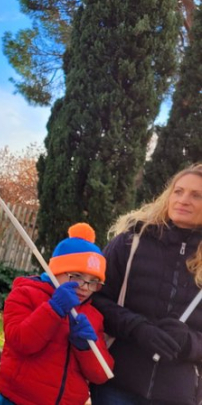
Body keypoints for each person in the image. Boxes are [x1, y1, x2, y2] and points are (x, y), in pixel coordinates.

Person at [90, 163, 202, 405]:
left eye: (196, 195)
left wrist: (190, 344)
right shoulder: (131, 243)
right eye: (178, 191)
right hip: (117, 383)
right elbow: (95, 298)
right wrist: (138, 328)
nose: (183, 200)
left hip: (178, 395)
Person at [0, 223, 114, 405]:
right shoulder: (26, 293)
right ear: (56, 270)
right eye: (77, 276)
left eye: (93, 282)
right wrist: (53, 309)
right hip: (18, 400)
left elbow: (101, 374)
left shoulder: (92, 315)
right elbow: (20, 342)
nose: (84, 287)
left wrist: (86, 349)